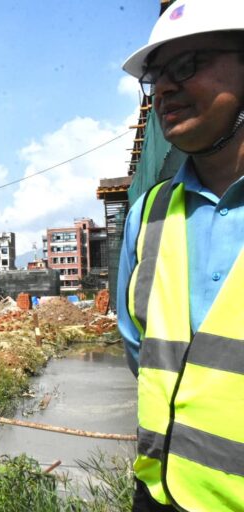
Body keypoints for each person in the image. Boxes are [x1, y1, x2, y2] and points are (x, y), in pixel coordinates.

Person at [118, 1, 244, 510]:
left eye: (188, 65)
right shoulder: (148, 215)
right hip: (158, 493)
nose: (164, 89)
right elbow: (141, 352)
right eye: (156, 77)